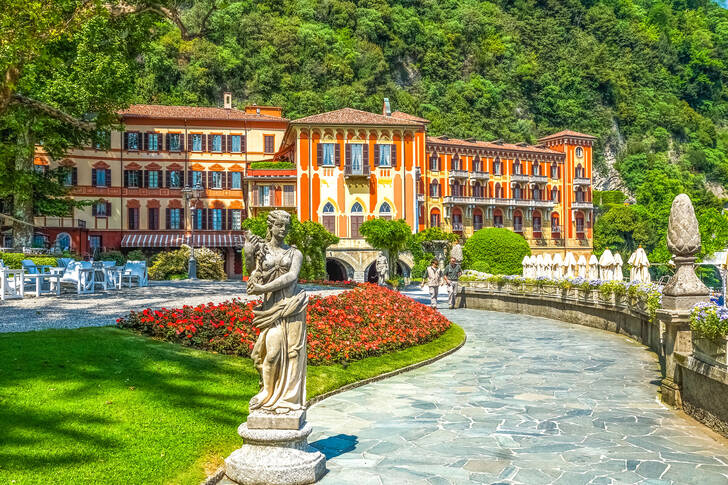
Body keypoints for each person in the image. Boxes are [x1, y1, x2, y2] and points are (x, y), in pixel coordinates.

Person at [244, 210, 308, 413]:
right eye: (279, 225)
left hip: (292, 306)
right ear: (270, 226)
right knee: (270, 355)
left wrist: (263, 289)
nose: (283, 230)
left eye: (286, 227)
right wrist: (248, 252)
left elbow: (291, 277)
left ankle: (288, 399)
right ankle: (267, 392)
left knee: (292, 354)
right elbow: (252, 276)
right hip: (270, 310)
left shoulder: (295, 253)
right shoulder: (262, 252)